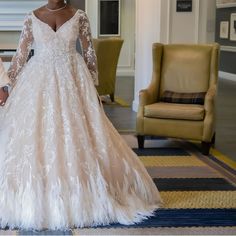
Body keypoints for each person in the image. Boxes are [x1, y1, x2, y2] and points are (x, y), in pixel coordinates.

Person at [0, 0, 162, 230]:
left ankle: (79, 189)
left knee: (77, 138)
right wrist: (6, 86)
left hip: (73, 81)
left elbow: (89, 55)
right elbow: (20, 55)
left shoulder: (79, 16)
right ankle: (42, 191)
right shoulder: (31, 17)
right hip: (38, 81)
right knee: (39, 139)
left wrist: (92, 91)